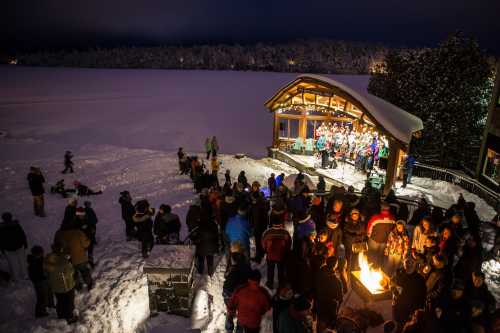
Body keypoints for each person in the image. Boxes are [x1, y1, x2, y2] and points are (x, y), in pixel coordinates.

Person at [54, 218, 92, 290]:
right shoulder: (78, 232)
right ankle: (89, 284)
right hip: (80, 258)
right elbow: (85, 244)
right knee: (84, 271)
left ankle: (78, 287)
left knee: (73, 274)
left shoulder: (59, 233)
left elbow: (56, 246)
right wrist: (89, 240)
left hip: (68, 259)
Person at [44, 241, 77, 324]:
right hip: (66, 286)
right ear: (61, 249)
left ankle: (60, 315)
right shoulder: (63, 261)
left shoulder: (48, 258)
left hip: (55, 287)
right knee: (68, 302)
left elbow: (46, 271)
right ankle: (70, 318)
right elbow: (70, 271)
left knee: (60, 301)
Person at [391, 259, 427, 327]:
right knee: (398, 325)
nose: (409, 265)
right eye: (407, 262)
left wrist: (415, 312)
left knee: (405, 327)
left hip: (410, 310)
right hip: (398, 307)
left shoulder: (420, 279)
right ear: (403, 263)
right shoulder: (399, 273)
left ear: (415, 263)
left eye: (411, 262)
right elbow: (392, 284)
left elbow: (422, 297)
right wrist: (394, 291)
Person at [262, 215, 292, 289]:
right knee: (281, 271)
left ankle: (270, 283)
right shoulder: (285, 233)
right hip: (281, 255)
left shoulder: (267, 232)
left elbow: (263, 243)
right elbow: (289, 244)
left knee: (270, 270)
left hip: (270, 256)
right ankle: (281, 284)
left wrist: (266, 251)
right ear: (281, 224)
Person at [314, 256, 343, 332]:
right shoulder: (336, 281)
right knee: (329, 329)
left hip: (320, 306)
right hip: (330, 309)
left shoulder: (319, 272)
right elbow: (340, 299)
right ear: (335, 265)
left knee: (320, 327)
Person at [27, 245, 55, 317]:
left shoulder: (43, 259)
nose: (41, 254)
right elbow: (32, 275)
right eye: (39, 253)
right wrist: (40, 278)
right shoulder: (32, 263)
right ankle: (40, 312)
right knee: (42, 297)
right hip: (39, 282)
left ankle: (51, 305)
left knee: (49, 292)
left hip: (46, 280)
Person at [0, 212, 28, 282]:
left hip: (9, 249)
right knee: (22, 262)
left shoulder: (1, 228)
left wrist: (2, 249)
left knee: (13, 264)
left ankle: (17, 277)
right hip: (18, 247)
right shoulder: (16, 225)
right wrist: (25, 243)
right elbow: (22, 235)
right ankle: (24, 275)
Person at [366, 202, 395, 268]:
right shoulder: (392, 218)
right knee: (380, 256)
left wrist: (369, 236)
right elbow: (392, 230)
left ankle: (370, 269)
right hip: (384, 241)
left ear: (382, 208)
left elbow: (369, 228)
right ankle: (377, 269)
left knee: (371, 256)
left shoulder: (376, 217)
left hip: (374, 240)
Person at [249, 182, 269, 263]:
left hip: (258, 224)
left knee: (258, 240)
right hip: (259, 223)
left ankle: (258, 257)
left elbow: (258, 215)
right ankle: (261, 252)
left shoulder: (259, 203)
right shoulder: (260, 202)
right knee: (259, 239)